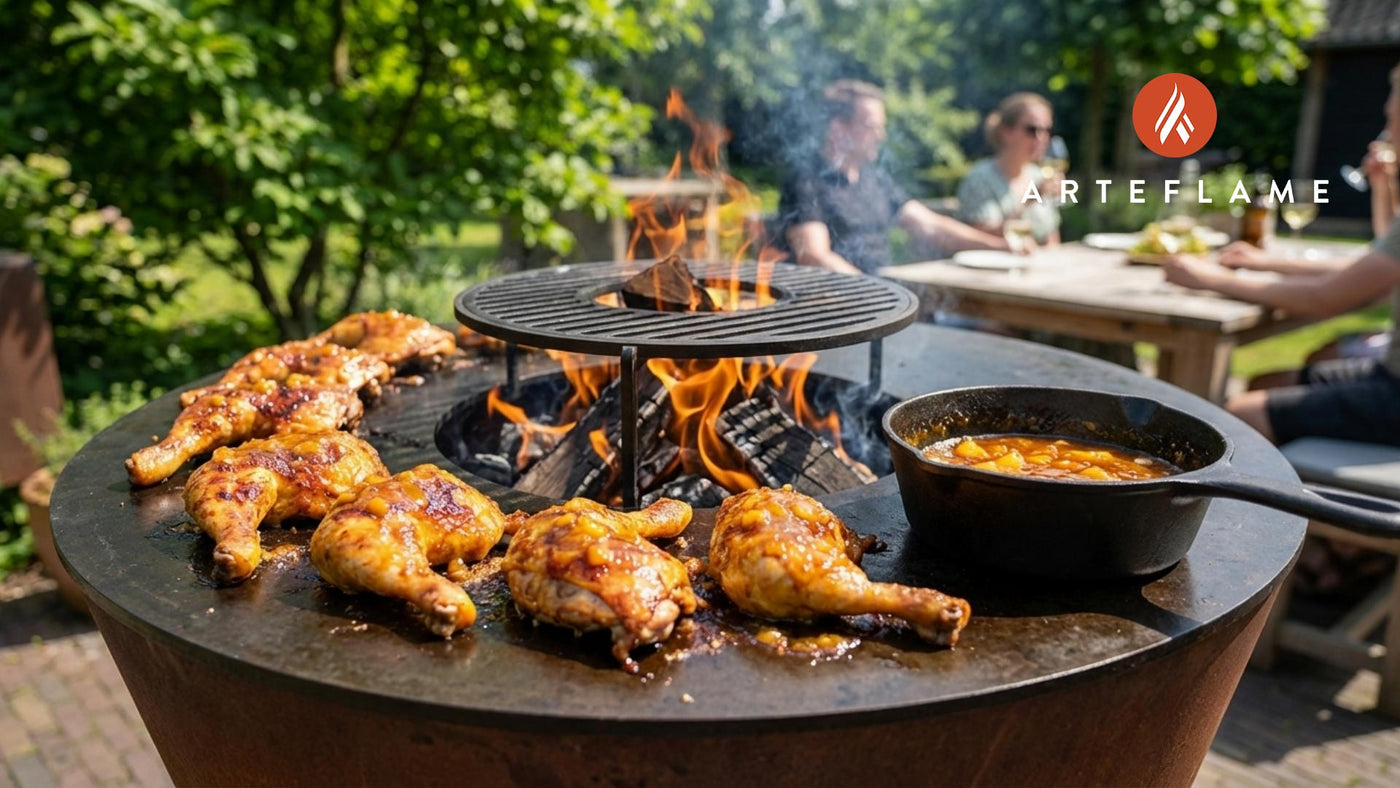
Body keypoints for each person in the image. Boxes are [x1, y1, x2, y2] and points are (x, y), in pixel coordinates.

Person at [1160, 63, 1400, 449]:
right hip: (1388, 373)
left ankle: (1262, 509)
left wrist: (1210, 280)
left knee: (1237, 416)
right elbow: (1370, 264)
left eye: (1392, 108)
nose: (1386, 118)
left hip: (1394, 393)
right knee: (1266, 384)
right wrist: (1263, 263)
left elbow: (1325, 298)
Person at [778, 80, 1014, 275]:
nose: (880, 136)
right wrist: (875, 293)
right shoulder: (806, 180)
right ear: (838, 128)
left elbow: (931, 226)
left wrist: (1000, 246)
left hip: (882, 297)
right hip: (840, 308)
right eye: (872, 126)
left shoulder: (874, 179)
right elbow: (813, 255)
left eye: (882, 127)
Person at [957, 92, 1062, 245]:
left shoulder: (1039, 176)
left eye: (1047, 130)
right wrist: (1029, 200)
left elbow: (1051, 238)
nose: (1042, 138)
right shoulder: (980, 179)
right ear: (1006, 132)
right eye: (1032, 130)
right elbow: (979, 239)